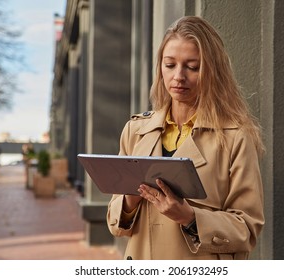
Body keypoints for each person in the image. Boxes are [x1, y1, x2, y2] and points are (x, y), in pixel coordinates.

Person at [107, 16, 265, 260]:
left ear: (213, 71)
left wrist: (189, 217)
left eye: (192, 67)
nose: (178, 76)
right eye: (170, 65)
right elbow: (116, 223)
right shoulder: (135, 130)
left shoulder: (235, 137)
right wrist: (130, 198)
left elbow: (247, 229)